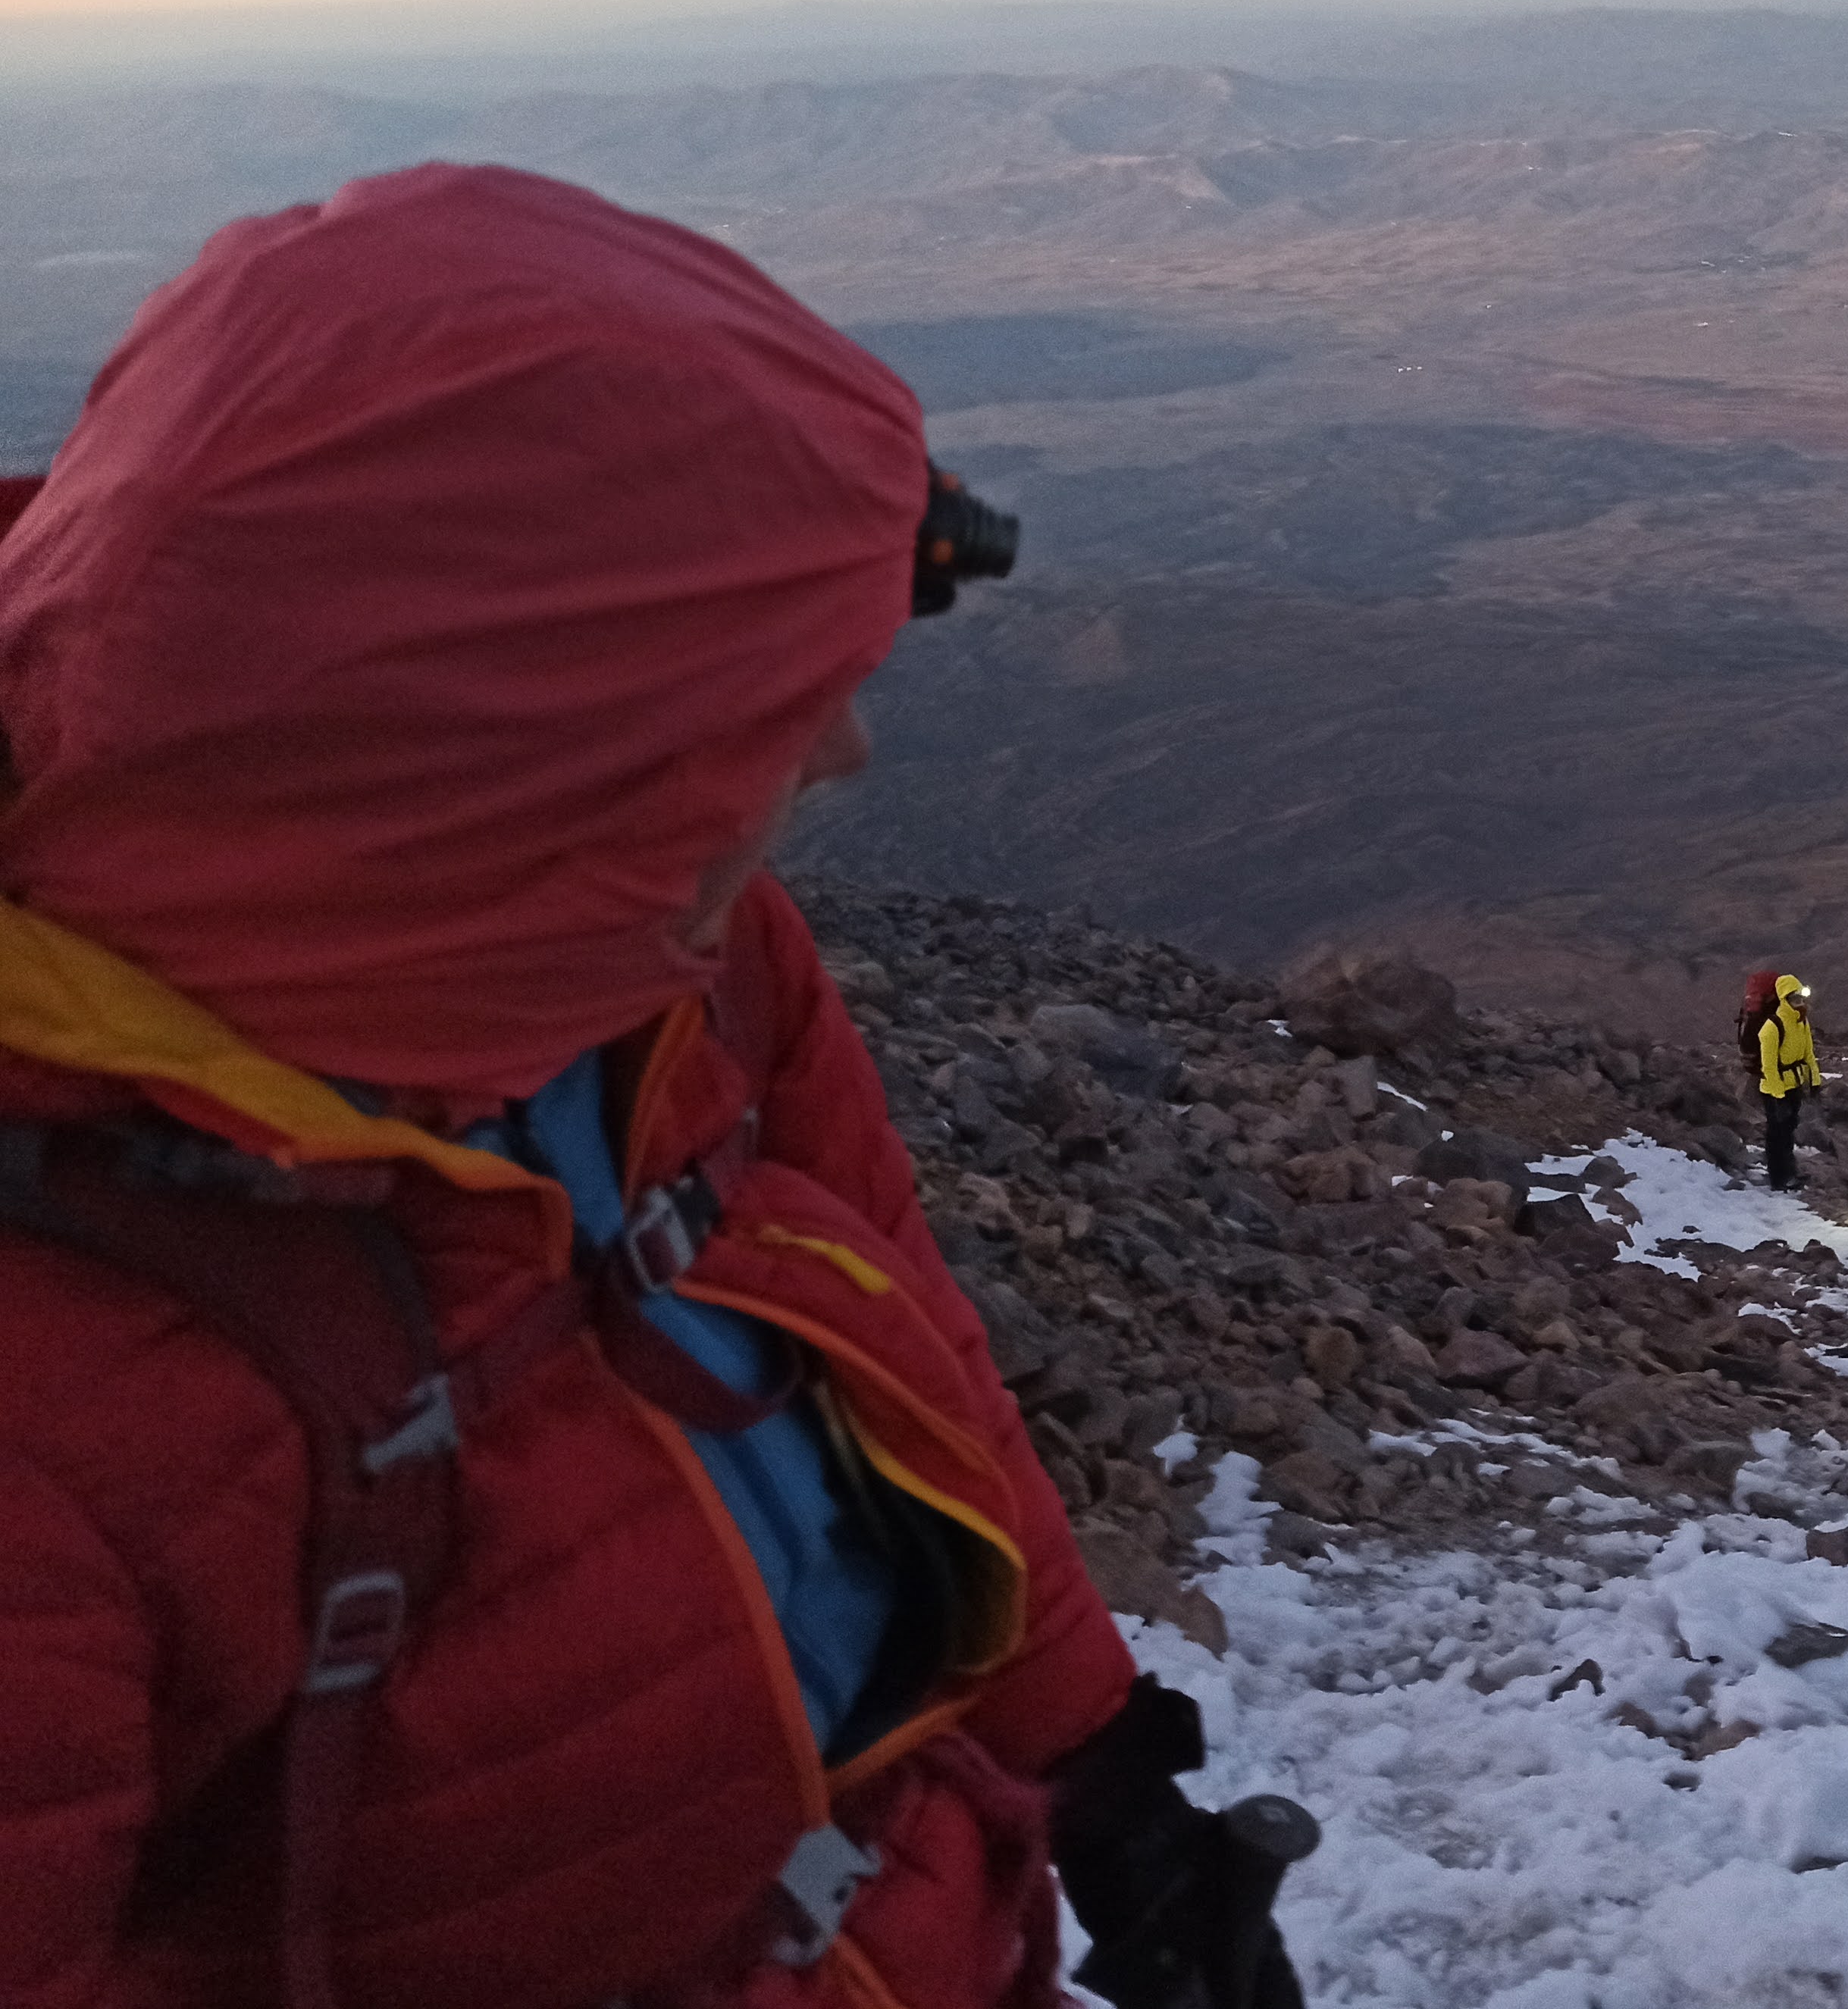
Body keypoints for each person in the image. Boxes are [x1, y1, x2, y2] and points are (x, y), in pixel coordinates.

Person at [0, 166, 1293, 2009]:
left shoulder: (657, 968)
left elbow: (893, 1329)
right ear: (483, 753)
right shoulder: (54, 1408)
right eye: (745, 695)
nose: (842, 745)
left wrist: (1091, 1761)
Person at [1755, 974, 1820, 1190]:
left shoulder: (1801, 1022)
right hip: (1775, 1089)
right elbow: (1769, 1066)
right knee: (1777, 1133)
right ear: (1784, 1000)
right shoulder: (1772, 1027)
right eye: (1795, 999)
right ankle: (1778, 1179)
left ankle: (1789, 1173)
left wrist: (1815, 1081)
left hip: (1794, 1084)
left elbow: (1808, 1053)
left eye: (1801, 998)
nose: (1800, 1003)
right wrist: (1778, 1096)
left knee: (1789, 1129)